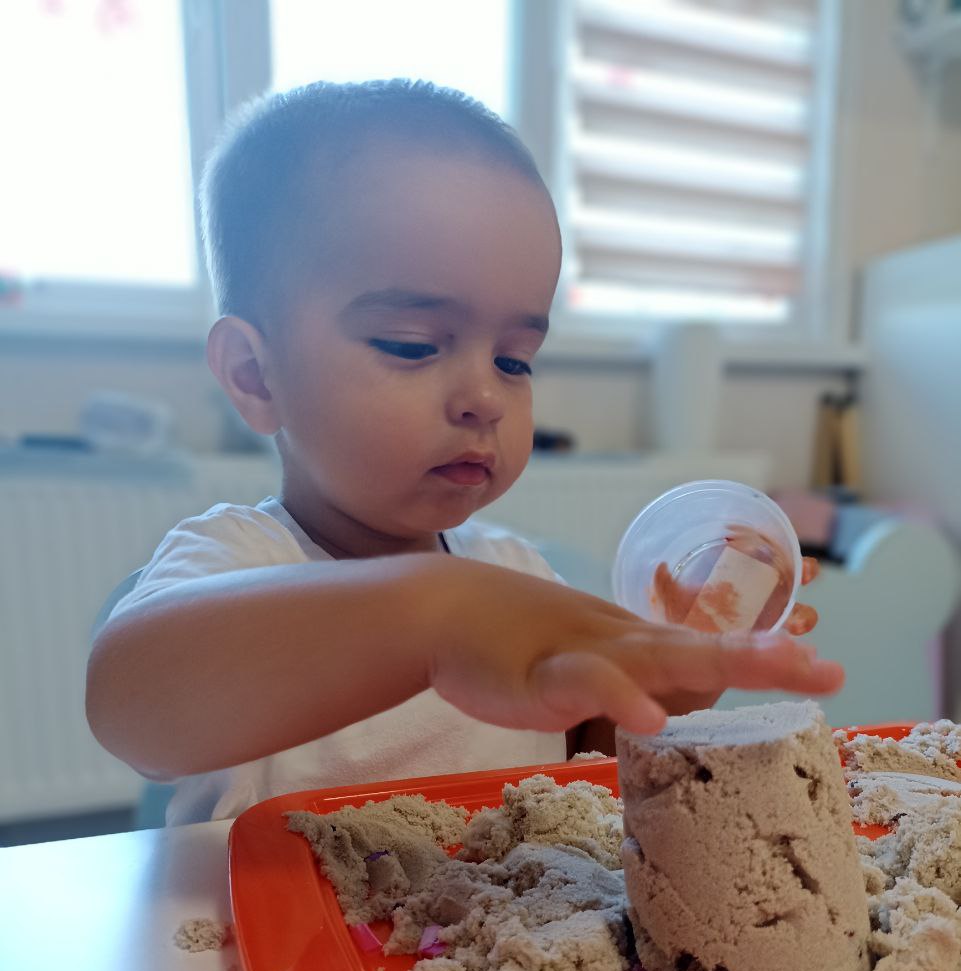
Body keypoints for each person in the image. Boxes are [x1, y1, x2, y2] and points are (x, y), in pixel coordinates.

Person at [85, 79, 839, 825]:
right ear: (256, 375)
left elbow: (585, 764)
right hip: (276, 908)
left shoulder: (512, 575)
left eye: (514, 360)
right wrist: (433, 618)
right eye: (411, 345)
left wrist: (683, 659)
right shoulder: (236, 561)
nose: (485, 396)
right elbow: (133, 705)